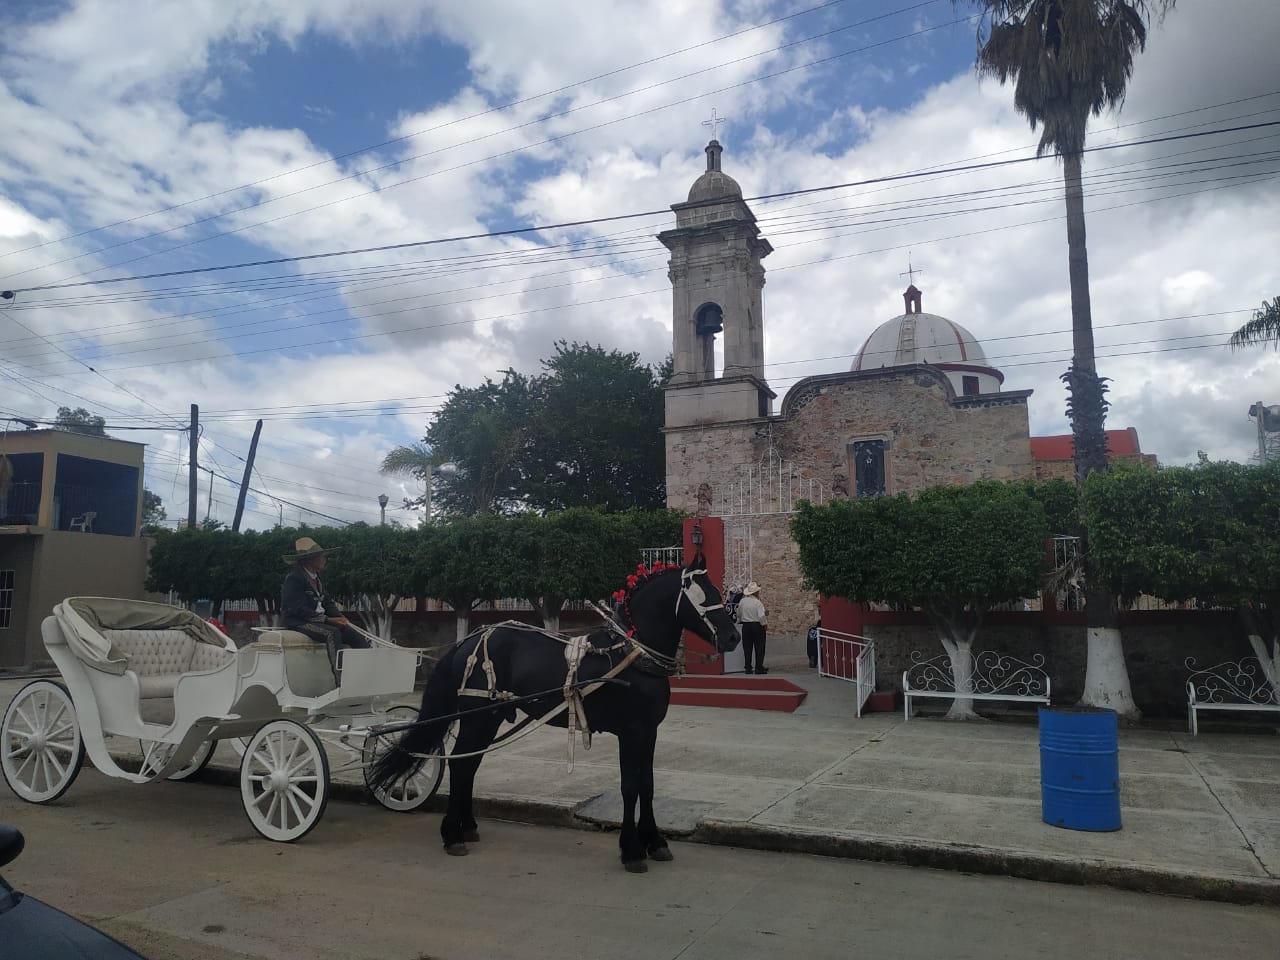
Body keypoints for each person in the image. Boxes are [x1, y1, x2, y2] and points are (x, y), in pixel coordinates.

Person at [281, 536, 369, 680]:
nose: (324, 559)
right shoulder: (294, 579)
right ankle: (340, 678)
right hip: (298, 621)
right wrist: (328, 620)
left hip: (318, 620)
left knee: (355, 636)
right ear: (310, 560)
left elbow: (327, 603)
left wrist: (340, 617)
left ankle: (363, 675)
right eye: (321, 557)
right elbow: (298, 610)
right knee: (332, 634)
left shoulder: (317, 578)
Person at [736, 581, 768, 675]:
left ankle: (748, 667)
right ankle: (759, 667)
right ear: (755, 592)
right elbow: (761, 616)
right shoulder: (757, 602)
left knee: (747, 647)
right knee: (759, 647)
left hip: (746, 626)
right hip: (757, 625)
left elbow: (739, 613)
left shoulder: (742, 601)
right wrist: (765, 624)